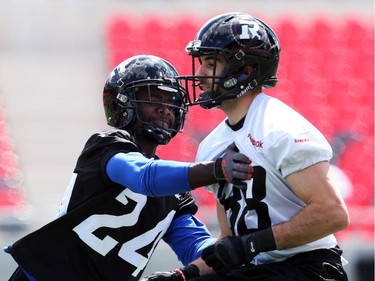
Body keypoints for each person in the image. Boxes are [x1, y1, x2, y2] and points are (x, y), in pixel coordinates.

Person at [4, 54, 254, 281]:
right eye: (154, 97)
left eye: (171, 100)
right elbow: (142, 177)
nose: (165, 109)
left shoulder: (174, 194)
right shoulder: (105, 147)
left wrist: (236, 249)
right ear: (123, 103)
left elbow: (194, 247)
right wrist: (216, 169)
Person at [142, 13, 350, 281]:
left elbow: (332, 214)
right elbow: (230, 241)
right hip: (257, 269)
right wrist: (184, 275)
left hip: (308, 268)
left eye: (211, 63)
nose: (200, 74)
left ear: (245, 71)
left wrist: (250, 245)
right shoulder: (211, 146)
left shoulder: (280, 129)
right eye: (201, 63)